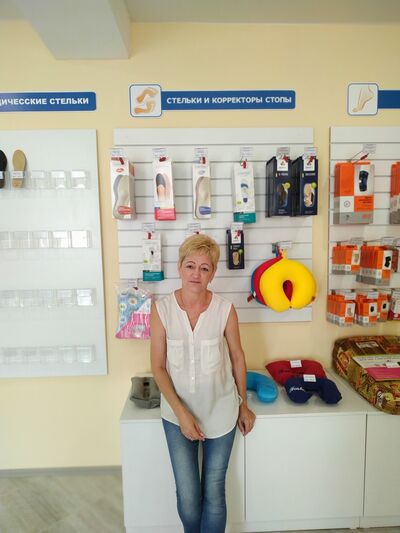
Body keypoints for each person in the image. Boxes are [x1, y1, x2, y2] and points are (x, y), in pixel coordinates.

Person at [151, 233, 256, 533]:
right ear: (179, 267)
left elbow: (237, 358)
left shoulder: (225, 310)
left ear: (213, 273)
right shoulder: (162, 310)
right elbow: (158, 367)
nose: (196, 274)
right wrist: (182, 414)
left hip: (221, 411)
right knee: (188, 497)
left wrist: (243, 405)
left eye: (204, 268)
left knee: (214, 492)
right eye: (190, 266)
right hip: (176, 415)